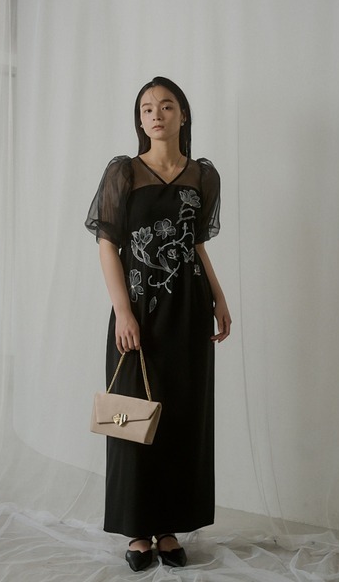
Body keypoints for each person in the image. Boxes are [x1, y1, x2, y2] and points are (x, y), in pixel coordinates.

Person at [85, 76, 231, 572]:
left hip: (189, 310)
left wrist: (219, 297)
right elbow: (107, 244)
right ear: (140, 119)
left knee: (182, 416)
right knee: (132, 417)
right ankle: (137, 530)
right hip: (140, 309)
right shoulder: (123, 172)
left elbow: (195, 245)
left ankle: (168, 527)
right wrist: (123, 310)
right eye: (147, 108)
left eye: (166, 106)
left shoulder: (202, 176)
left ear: (182, 115)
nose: (156, 114)